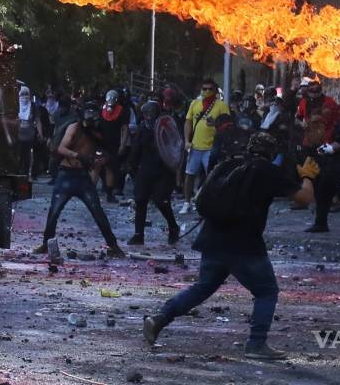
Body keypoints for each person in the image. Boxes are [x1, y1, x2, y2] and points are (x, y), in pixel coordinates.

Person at [142, 132, 319, 359]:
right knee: (267, 291)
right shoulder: (266, 171)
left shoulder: (228, 164)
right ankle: (256, 344)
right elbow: (304, 198)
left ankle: (159, 319)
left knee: (202, 287)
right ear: (271, 152)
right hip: (244, 244)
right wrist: (308, 176)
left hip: (213, 239)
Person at [35, 101, 125, 258]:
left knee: (98, 212)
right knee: (54, 211)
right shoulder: (75, 127)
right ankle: (45, 244)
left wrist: (100, 159)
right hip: (66, 174)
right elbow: (61, 148)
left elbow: (104, 152)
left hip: (83, 177)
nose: (90, 118)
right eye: (88, 114)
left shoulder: (97, 132)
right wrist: (78, 156)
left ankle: (113, 245)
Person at [127, 100, 179, 246]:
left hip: (163, 170)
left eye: (149, 113)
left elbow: (174, 148)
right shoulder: (143, 128)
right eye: (145, 114)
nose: (147, 116)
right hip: (145, 169)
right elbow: (137, 148)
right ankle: (138, 234)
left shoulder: (167, 127)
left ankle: (173, 227)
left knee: (161, 200)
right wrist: (131, 164)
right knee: (140, 200)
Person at [181, 79, 230, 213]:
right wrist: (186, 141)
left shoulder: (221, 105)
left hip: (212, 147)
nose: (207, 91)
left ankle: (208, 202)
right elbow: (188, 123)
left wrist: (216, 124)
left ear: (215, 91)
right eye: (204, 89)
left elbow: (228, 125)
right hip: (195, 147)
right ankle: (187, 203)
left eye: (210, 89)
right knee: (189, 175)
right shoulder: (195, 104)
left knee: (212, 176)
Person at [99, 90, 130, 203]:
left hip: (114, 144)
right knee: (97, 167)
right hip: (101, 143)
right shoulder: (101, 109)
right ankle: (91, 191)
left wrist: (122, 144)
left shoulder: (122, 111)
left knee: (110, 168)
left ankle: (109, 193)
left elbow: (124, 128)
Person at [16, 86, 41, 178]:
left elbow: (38, 121)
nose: (24, 96)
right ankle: (17, 175)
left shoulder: (33, 106)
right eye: (22, 94)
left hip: (30, 135)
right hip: (17, 135)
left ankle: (26, 175)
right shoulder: (15, 105)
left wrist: (40, 134)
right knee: (18, 156)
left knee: (27, 156)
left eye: (26, 94)